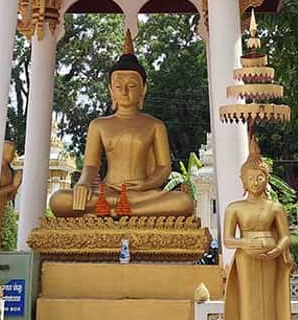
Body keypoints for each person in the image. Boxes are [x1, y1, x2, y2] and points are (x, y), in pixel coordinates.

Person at [49, 30, 194, 218]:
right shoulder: (98, 125)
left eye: (132, 85)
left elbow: (164, 168)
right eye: (118, 86)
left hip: (141, 194)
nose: (125, 91)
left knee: (183, 202)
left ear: (143, 89)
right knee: (58, 200)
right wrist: (83, 183)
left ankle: (117, 212)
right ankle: (122, 210)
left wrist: (146, 184)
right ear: (111, 90)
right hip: (108, 192)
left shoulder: (154, 125)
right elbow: (91, 166)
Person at [221, 143, 293, 320]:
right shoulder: (235, 208)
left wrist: (277, 250)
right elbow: (227, 240)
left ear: (267, 179)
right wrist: (245, 243)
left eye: (260, 177)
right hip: (246, 259)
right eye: (250, 178)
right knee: (248, 307)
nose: (255, 182)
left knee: (267, 307)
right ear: (242, 180)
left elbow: (285, 237)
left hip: (269, 260)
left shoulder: (275, 207)